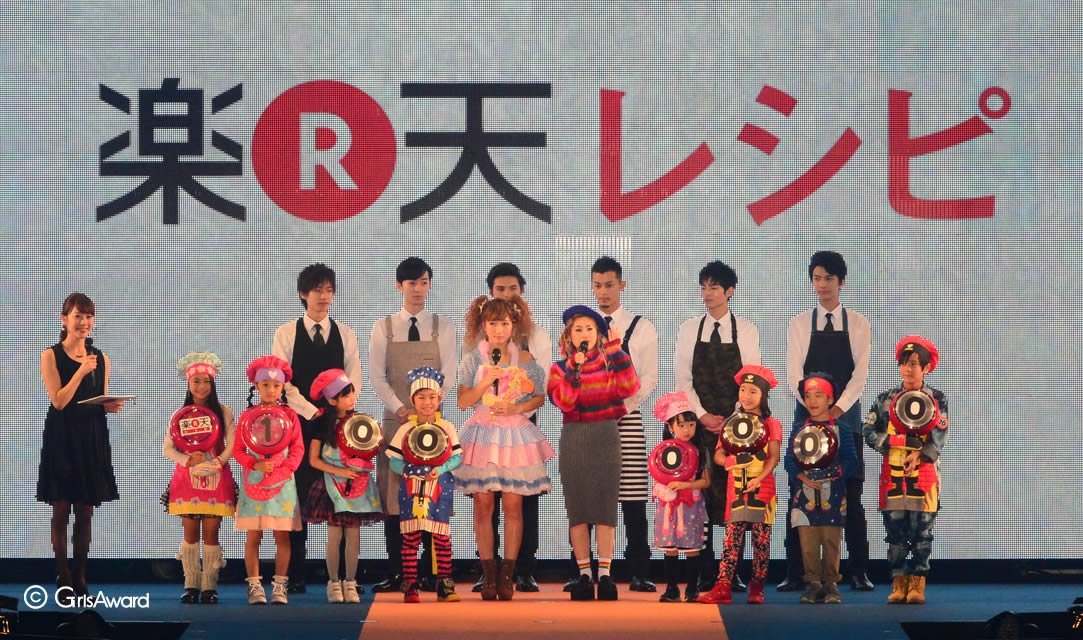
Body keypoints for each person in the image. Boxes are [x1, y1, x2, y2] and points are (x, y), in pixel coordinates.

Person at [782, 251, 873, 593]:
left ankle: (858, 571)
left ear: (842, 282)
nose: (822, 285)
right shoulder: (799, 323)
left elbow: (860, 376)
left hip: (845, 417)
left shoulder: (859, 323)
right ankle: (796, 572)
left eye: (829, 279)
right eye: (817, 279)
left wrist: (837, 409)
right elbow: (794, 374)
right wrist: (814, 407)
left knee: (851, 493)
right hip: (807, 415)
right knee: (799, 493)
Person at [272, 263, 363, 594]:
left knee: (342, 495)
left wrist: (338, 412)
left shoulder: (346, 333)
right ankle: (295, 573)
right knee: (298, 496)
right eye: (317, 290)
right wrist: (312, 412)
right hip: (299, 425)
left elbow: (354, 378)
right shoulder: (286, 333)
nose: (324, 296)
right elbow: (282, 381)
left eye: (329, 290)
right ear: (303, 294)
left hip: (338, 427)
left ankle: (342, 577)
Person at [455, 295, 553, 600]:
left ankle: (508, 575)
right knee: (483, 506)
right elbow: (463, 401)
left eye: (505, 323)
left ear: (514, 325)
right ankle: (488, 575)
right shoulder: (472, 359)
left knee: (513, 507)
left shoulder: (525, 358)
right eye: (493, 323)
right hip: (482, 434)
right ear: (483, 325)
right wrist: (486, 383)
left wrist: (517, 408)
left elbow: (540, 396)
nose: (499, 330)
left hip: (513, 436)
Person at [369, 257, 458, 593]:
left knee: (433, 495)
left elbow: (449, 374)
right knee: (396, 495)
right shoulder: (384, 327)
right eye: (411, 283)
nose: (418, 289)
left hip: (433, 423)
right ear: (399, 286)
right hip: (397, 420)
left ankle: (436, 573)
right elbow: (377, 376)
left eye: (423, 282)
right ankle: (400, 572)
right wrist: (401, 408)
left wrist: (428, 406)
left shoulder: (443, 326)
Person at [674, 261, 760, 592]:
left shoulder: (746, 330)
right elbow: (683, 380)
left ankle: (731, 571)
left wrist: (733, 419)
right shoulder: (688, 329)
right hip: (698, 425)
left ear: (730, 291)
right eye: (703, 287)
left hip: (737, 427)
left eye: (713, 287)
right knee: (701, 498)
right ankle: (704, 571)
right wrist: (701, 415)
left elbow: (751, 379)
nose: (707, 294)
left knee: (734, 497)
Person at [37, 292, 125, 602]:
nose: (84, 322)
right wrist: (80, 371)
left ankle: (81, 578)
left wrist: (109, 405)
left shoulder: (101, 358)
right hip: (62, 437)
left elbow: (97, 397)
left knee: (85, 511)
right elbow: (59, 401)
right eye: (78, 316)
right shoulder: (50, 355)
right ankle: (63, 577)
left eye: (88, 317)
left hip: (91, 437)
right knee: (61, 509)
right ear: (64, 320)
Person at [548, 305, 640, 601]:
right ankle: (584, 573)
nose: (584, 334)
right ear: (569, 336)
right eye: (578, 329)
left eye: (590, 329)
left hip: (606, 435)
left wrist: (616, 351)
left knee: (604, 507)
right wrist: (574, 370)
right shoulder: (559, 368)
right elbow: (565, 402)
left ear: (599, 334)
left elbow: (630, 387)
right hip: (575, 437)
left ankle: (605, 573)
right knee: (578, 509)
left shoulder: (611, 361)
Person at [863, 336, 949, 605]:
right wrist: (895, 442)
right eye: (903, 363)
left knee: (922, 532)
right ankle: (898, 582)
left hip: (924, 475)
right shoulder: (885, 399)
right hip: (893, 474)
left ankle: (918, 583)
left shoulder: (937, 398)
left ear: (926, 368)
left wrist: (919, 454)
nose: (907, 369)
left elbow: (939, 437)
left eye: (913, 364)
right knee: (895, 532)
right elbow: (868, 430)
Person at [591, 256, 659, 591]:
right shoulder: (583, 325)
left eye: (609, 285)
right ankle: (586, 570)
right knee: (590, 499)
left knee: (633, 499)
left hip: (627, 419)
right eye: (597, 285)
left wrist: (622, 408)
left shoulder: (640, 326)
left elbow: (649, 378)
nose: (603, 292)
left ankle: (639, 571)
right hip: (590, 423)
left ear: (622, 285)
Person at [698, 365, 782, 605]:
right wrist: (729, 462)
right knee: (731, 539)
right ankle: (722, 587)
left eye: (753, 391)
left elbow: (774, 457)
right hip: (736, 488)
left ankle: (757, 588)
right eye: (743, 390)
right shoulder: (731, 422)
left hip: (763, 489)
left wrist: (759, 478)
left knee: (761, 541)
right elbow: (718, 454)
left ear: (763, 395)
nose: (746, 396)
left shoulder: (771, 423)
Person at [161, 352, 237, 604]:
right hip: (188, 480)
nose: (202, 386)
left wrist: (217, 462)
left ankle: (210, 586)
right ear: (188, 382)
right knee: (190, 534)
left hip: (217, 478)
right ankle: (191, 584)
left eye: (207, 381)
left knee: (212, 534)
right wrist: (187, 460)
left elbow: (232, 444)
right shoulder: (180, 414)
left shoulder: (224, 412)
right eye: (196, 381)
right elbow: (167, 449)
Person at [302, 369, 382, 604]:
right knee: (335, 534)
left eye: (352, 394)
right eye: (345, 395)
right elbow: (314, 460)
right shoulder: (320, 424)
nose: (351, 399)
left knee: (354, 534)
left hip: (357, 483)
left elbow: (369, 449)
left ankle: (351, 582)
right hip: (332, 483)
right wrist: (340, 471)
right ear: (332, 400)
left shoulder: (359, 420)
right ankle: (333, 582)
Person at [386, 366, 463, 603]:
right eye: (421, 397)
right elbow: (394, 461)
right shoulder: (405, 429)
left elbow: (457, 457)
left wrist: (440, 469)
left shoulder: (447, 427)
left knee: (441, 538)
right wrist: (407, 471)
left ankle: (444, 585)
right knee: (411, 537)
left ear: (439, 399)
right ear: (412, 400)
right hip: (412, 489)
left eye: (432, 397)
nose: (427, 402)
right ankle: (410, 585)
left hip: (439, 487)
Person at [233, 355, 304, 605]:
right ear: (256, 385)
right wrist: (255, 464)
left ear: (283, 386)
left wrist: (283, 471)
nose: (271, 390)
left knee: (282, 536)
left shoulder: (290, 415)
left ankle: (280, 586)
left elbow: (298, 449)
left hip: (283, 484)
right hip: (254, 481)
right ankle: (254, 586)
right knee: (254, 536)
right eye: (265, 385)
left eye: (276, 385)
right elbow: (238, 449)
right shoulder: (247, 416)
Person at [783, 373, 858, 605]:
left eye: (819, 395)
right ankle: (813, 583)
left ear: (830, 399)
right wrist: (802, 477)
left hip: (833, 493)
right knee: (808, 541)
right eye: (808, 396)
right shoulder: (799, 428)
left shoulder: (842, 429)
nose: (812, 401)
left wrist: (833, 474)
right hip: (804, 494)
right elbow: (789, 460)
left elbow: (852, 460)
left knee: (831, 540)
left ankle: (831, 584)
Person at [651, 392, 710, 603]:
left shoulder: (700, 450)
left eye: (691, 424)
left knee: (692, 548)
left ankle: (692, 588)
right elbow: (657, 474)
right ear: (670, 426)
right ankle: (672, 589)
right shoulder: (664, 451)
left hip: (692, 504)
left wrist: (686, 485)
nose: (687, 430)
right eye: (681, 425)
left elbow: (706, 481)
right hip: (669, 505)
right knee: (670, 549)